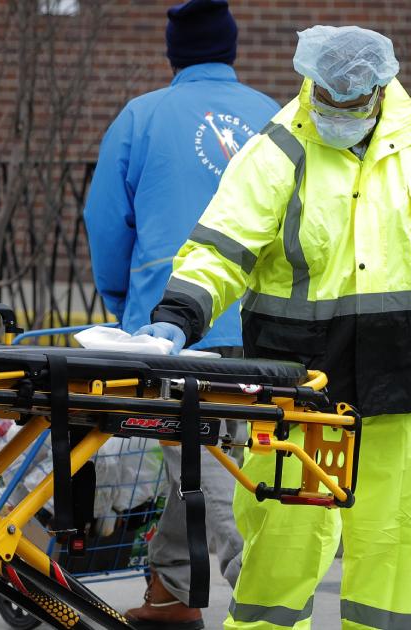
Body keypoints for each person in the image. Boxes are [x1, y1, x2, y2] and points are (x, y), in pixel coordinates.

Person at [137, 25, 411, 630]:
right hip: (302, 396)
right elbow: (222, 249)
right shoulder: (279, 150)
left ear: (380, 88)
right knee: (283, 544)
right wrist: (177, 317)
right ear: (309, 84)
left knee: (395, 547)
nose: (336, 112)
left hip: (405, 386)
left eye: (350, 101)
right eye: (326, 98)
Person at [82, 1, 279, 628]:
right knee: (198, 456)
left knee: (208, 466)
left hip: (170, 326)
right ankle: (169, 593)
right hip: (261, 326)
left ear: (174, 53)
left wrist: (122, 305)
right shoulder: (275, 119)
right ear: (232, 48)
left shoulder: (142, 117)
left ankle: (265, 597)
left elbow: (106, 223)